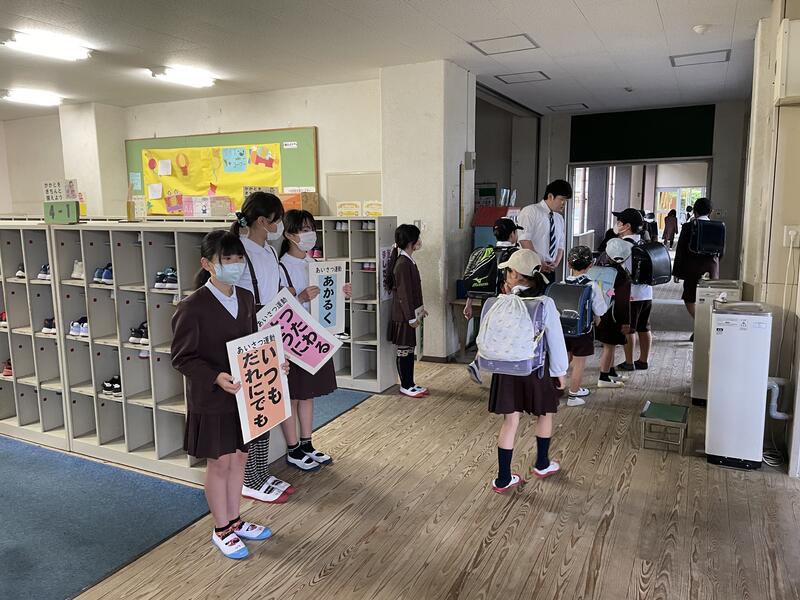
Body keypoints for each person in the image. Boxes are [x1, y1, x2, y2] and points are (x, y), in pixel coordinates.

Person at [171, 230, 287, 559]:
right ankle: (221, 528)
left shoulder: (246, 299)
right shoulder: (192, 307)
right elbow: (181, 357)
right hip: (212, 398)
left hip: (244, 396)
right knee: (220, 463)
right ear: (207, 264)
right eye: (227, 259)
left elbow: (253, 343)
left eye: (238, 258)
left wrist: (274, 363)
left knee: (239, 458)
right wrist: (215, 377)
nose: (235, 264)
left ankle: (235, 520)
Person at [485, 249, 568, 493]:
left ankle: (503, 478)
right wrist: (560, 371)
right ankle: (542, 463)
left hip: (505, 369)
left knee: (510, 421)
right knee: (544, 414)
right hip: (536, 369)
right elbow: (556, 340)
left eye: (508, 272)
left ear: (514, 275)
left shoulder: (501, 302)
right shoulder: (544, 303)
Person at [232, 192, 295, 503]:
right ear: (261, 221)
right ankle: (248, 479)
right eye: (276, 219)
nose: (279, 225)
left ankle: (260, 471)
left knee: (268, 405)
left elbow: (276, 291)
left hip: (270, 332)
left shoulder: (268, 250)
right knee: (254, 407)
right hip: (246, 334)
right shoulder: (238, 251)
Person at [278, 210, 352, 472]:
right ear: (289, 235)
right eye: (303, 229)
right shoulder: (280, 267)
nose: (310, 234)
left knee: (308, 395)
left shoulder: (316, 264)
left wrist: (341, 292)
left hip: (315, 338)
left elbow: (328, 300)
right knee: (292, 397)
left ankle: (307, 443)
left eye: (311, 228)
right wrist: (300, 298)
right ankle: (293, 449)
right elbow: (276, 308)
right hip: (291, 342)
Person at [463, 217, 522, 385]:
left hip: (487, 301)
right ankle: (504, 375)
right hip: (507, 302)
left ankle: (478, 363)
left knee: (489, 333)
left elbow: (475, 278)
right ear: (512, 234)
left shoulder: (487, 252)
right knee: (507, 337)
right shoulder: (516, 255)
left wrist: (468, 303)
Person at [563, 245, 608, 406]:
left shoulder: (562, 283)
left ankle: (556, 389)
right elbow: (600, 310)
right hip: (582, 331)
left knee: (563, 361)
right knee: (579, 364)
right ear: (591, 265)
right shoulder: (592, 285)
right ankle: (573, 396)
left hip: (563, 330)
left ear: (568, 264)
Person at [387, 224, 428, 398]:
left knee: (409, 350)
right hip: (403, 316)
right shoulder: (403, 263)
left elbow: (413, 291)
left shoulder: (408, 260)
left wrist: (420, 311)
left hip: (409, 314)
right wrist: (411, 317)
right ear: (411, 241)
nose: (420, 241)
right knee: (404, 351)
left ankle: (410, 383)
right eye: (418, 238)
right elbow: (404, 294)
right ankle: (405, 385)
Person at [611, 208, 653, 373]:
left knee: (628, 328)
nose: (617, 225)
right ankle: (643, 360)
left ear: (627, 226)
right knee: (644, 327)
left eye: (619, 222)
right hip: (647, 293)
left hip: (630, 294)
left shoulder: (621, 245)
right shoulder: (645, 243)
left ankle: (629, 362)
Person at [672, 197, 720, 322]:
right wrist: (714, 264)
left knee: (689, 298)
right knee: (709, 298)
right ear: (711, 211)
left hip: (692, 268)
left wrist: (677, 272)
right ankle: (706, 325)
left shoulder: (688, 227)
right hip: (711, 269)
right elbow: (721, 251)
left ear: (695, 211)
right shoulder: (718, 226)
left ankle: (700, 324)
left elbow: (681, 250)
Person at [594, 238, 633, 388]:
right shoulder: (622, 275)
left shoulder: (601, 269)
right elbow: (623, 302)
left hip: (601, 313)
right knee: (609, 347)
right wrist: (626, 322)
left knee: (609, 345)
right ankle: (603, 377)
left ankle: (611, 373)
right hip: (614, 316)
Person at [516, 179, 571, 283]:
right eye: (562, 199)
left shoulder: (559, 218)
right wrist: (539, 262)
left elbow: (560, 245)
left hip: (550, 269)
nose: (564, 203)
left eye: (566, 200)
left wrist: (555, 263)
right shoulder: (530, 211)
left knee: (548, 293)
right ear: (550, 196)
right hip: (531, 268)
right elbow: (524, 240)